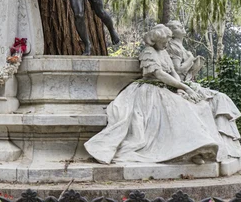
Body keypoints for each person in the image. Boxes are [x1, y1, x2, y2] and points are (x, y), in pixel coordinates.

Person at [84, 24, 227, 164]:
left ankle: (197, 148)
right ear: (156, 41)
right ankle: (190, 149)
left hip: (167, 87)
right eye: (164, 42)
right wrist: (182, 87)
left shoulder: (163, 52)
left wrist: (180, 88)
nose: (167, 45)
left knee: (197, 106)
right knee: (179, 108)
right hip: (149, 90)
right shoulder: (148, 53)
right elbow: (160, 74)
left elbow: (173, 73)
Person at [166, 20, 241, 159]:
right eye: (178, 26)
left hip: (188, 83)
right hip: (181, 85)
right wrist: (190, 59)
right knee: (219, 99)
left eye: (181, 25)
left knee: (221, 98)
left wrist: (195, 65)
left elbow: (187, 72)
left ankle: (226, 145)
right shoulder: (173, 47)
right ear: (171, 32)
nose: (182, 27)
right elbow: (177, 70)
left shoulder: (182, 47)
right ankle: (223, 145)